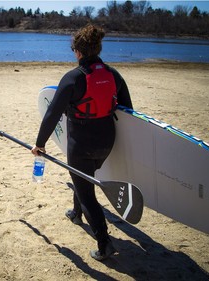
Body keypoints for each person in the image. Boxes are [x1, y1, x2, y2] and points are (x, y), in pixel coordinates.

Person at [31, 24, 133, 261]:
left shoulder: (73, 78)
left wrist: (40, 144)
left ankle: (104, 243)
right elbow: (129, 111)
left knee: (87, 192)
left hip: (81, 145)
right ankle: (76, 213)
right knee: (82, 177)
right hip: (107, 143)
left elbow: (52, 114)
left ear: (77, 51)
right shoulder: (113, 74)